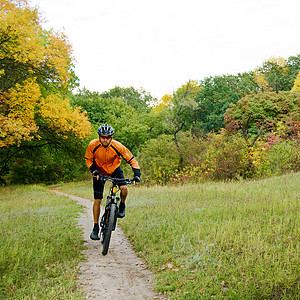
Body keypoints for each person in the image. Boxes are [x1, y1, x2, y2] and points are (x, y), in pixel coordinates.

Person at [85, 124, 141, 240]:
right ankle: (95, 227)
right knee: (98, 200)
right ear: (99, 137)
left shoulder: (117, 146)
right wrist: (94, 170)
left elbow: (131, 159)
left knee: (124, 188)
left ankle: (122, 204)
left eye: (108, 137)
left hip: (114, 169)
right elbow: (88, 159)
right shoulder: (93, 145)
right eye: (103, 137)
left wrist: (137, 175)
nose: (105, 140)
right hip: (99, 171)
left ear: (111, 137)